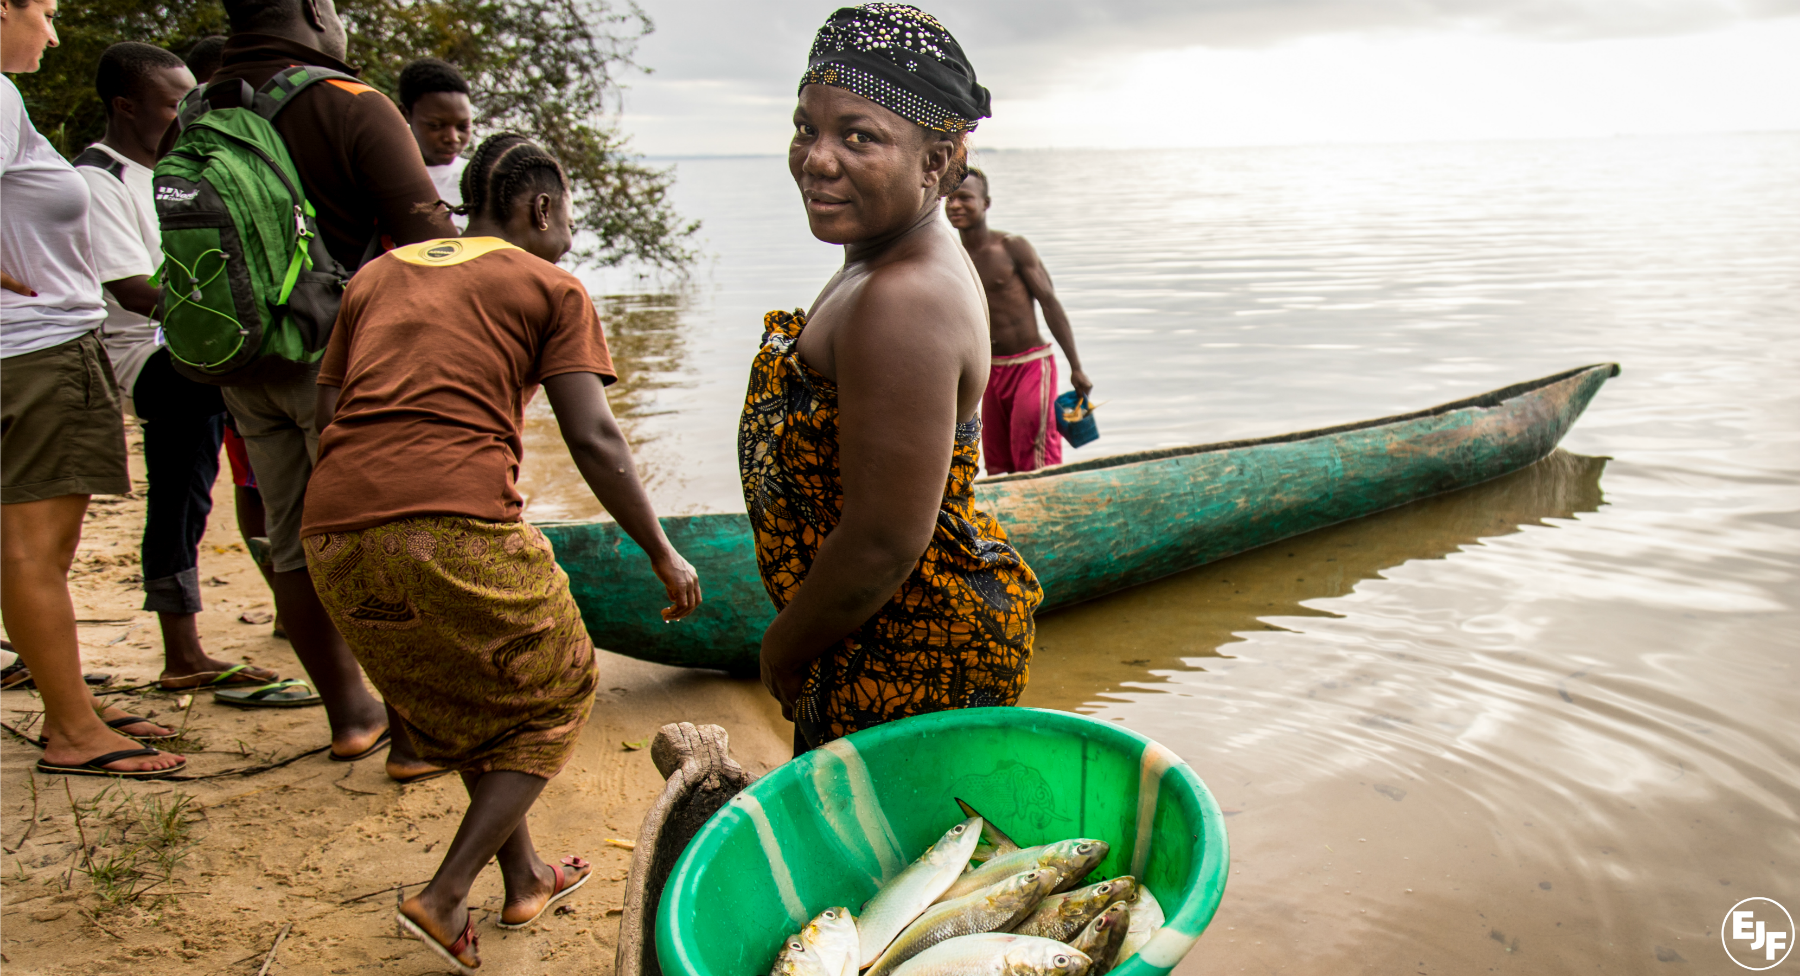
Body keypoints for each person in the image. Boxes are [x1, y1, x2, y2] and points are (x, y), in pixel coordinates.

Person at [302, 133, 701, 972]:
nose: (570, 236)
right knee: (562, 686)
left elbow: (324, 414)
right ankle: (445, 894)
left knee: (471, 703)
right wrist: (662, 551)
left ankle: (526, 877)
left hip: (331, 528)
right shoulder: (548, 284)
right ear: (542, 206)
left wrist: (362, 517)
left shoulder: (379, 274)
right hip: (450, 518)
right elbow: (593, 437)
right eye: (568, 216)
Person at [743, 3, 1043, 754]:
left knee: (881, 869)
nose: (816, 158)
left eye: (858, 136)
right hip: (878, 635)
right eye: (806, 127)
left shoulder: (902, 298)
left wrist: (783, 646)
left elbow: (882, 541)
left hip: (907, 652)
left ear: (937, 162)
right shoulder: (884, 262)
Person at [178, 0, 457, 774]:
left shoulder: (199, 108)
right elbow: (437, 249)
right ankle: (414, 736)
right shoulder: (349, 106)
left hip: (246, 367)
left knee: (295, 543)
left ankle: (350, 717)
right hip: (347, 366)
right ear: (308, 8)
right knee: (384, 545)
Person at [1, 0, 184, 777]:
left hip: (35, 347)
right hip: (34, 352)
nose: (52, 31)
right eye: (42, 11)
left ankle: (64, 698)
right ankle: (73, 731)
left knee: (40, 545)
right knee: (34, 546)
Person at [77, 41, 282, 692]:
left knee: (212, 482)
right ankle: (183, 652)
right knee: (181, 492)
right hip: (149, 355)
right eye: (172, 104)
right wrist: (236, 308)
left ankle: (272, 605)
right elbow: (135, 290)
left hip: (196, 343)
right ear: (124, 106)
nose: (185, 113)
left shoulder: (174, 171)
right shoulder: (99, 179)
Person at [944, 168, 1092, 474]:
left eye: (965, 198)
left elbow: (1050, 304)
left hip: (1030, 364)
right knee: (996, 460)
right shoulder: (949, 257)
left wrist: (1076, 367)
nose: (955, 205)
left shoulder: (1011, 247)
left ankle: (1051, 513)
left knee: (1033, 454)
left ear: (986, 203)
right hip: (988, 370)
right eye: (949, 198)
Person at [398, 57, 474, 231]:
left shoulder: (480, 182)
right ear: (405, 114)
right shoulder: (384, 179)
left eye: (463, 126)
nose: (452, 138)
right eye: (436, 126)